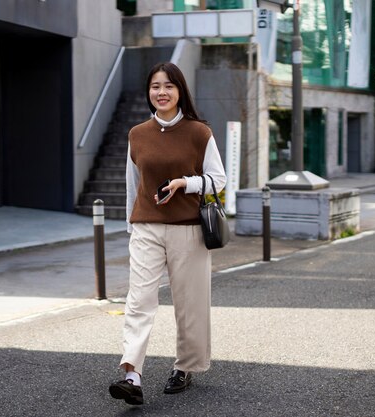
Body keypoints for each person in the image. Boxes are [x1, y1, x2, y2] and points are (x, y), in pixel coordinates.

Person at [108, 62, 226, 406]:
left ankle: (186, 367)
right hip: (146, 229)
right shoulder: (137, 134)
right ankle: (132, 375)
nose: (161, 92)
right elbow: (135, 185)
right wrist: (132, 225)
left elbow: (218, 179)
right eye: (155, 86)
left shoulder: (198, 132)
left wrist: (184, 183)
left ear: (180, 91)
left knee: (190, 304)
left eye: (169, 86)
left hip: (188, 230)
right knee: (139, 301)